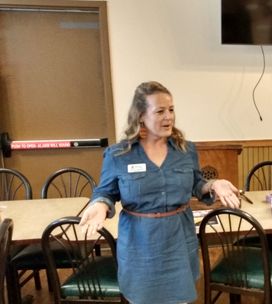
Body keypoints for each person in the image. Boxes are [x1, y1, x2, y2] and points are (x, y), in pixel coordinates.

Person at [79, 81, 240, 304]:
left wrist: (213, 184)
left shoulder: (185, 150)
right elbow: (105, 191)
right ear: (141, 116)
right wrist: (100, 205)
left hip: (178, 243)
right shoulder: (119, 154)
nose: (169, 117)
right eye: (160, 111)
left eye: (171, 110)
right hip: (140, 247)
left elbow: (196, 183)